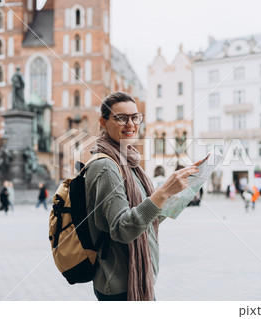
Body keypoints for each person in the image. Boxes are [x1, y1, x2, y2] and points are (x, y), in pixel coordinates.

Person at [85, 92, 199, 301]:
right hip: (121, 285)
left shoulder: (129, 162)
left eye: (135, 117)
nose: (131, 124)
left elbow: (148, 218)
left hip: (138, 279)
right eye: (121, 118)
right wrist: (163, 191)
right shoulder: (106, 166)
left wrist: (180, 192)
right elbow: (123, 229)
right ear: (103, 122)